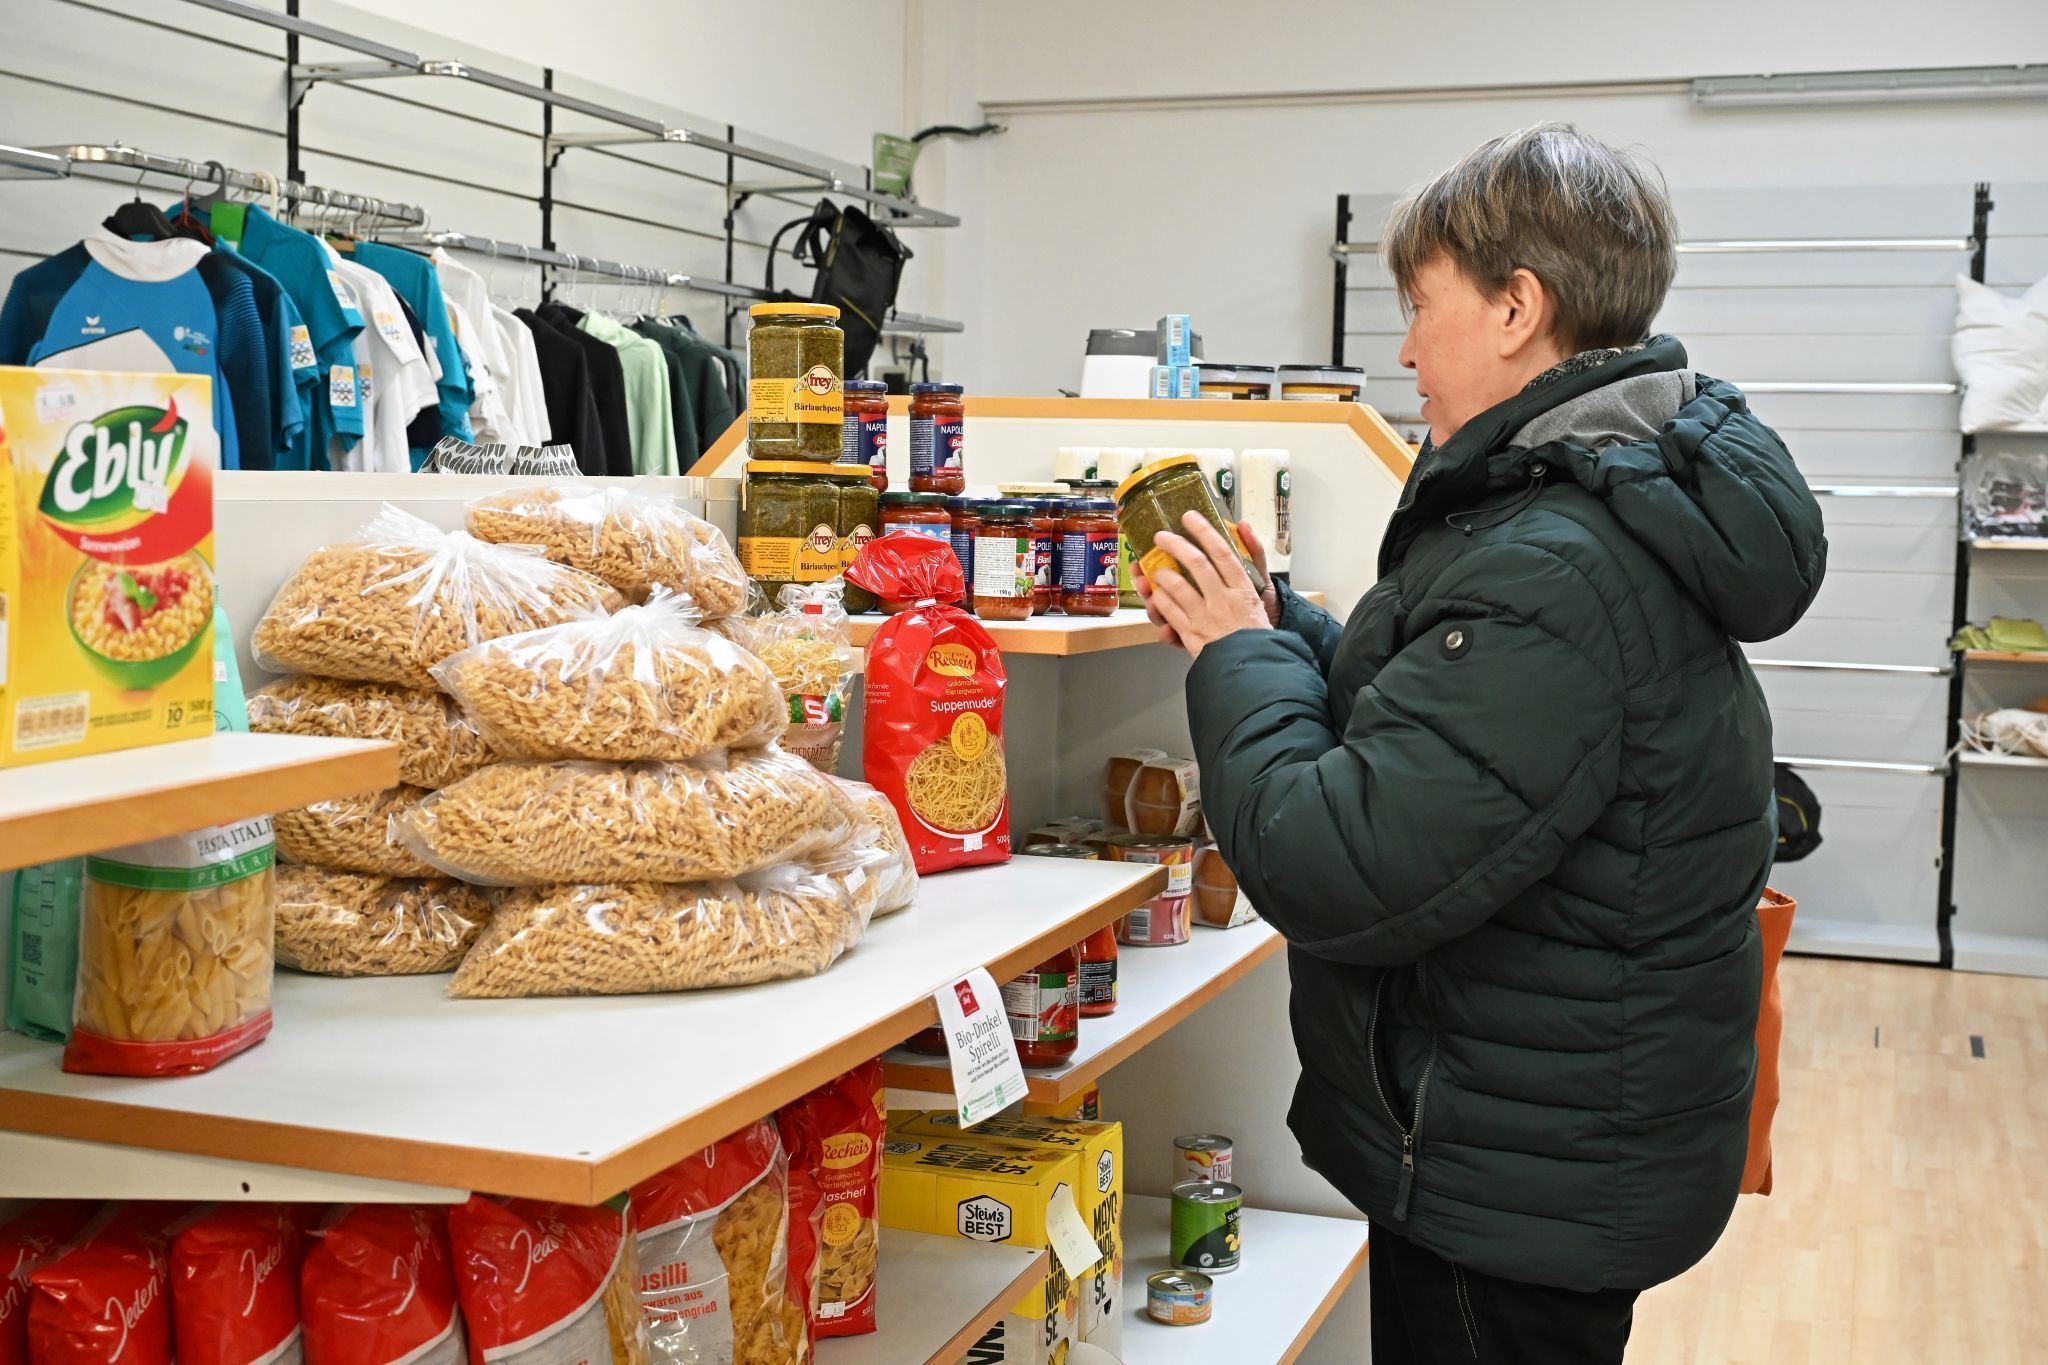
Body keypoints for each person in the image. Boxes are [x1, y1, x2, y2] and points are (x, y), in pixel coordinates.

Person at [1135, 123, 1827, 1364]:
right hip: (1555, 1142)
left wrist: (1232, 657)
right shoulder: (1594, 497)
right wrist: (1279, 624)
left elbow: (1332, 860)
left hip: (1514, 1182)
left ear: (1517, 308)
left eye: (1418, 306)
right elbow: (1458, 734)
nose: (1401, 347)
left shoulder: (1553, 563)